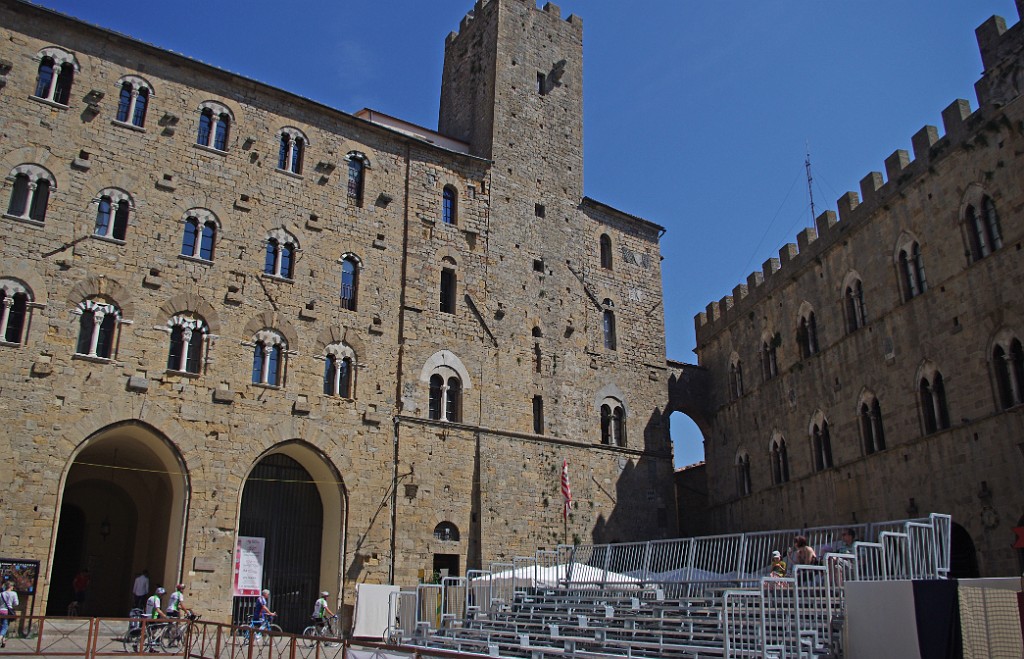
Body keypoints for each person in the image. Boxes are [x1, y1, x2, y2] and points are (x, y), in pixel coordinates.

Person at [0, 581, 19, 648]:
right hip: (8, 612)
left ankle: (3, 641)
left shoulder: (1, 594)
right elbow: (16, 603)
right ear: (10, 587)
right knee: (5, 626)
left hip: (0, 611)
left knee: (1, 626)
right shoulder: (14, 594)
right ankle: (0, 637)